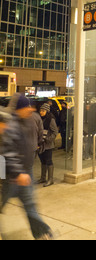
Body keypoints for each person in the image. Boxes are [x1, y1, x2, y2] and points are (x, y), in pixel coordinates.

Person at [0, 93, 54, 240]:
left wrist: (36, 147)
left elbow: (38, 134)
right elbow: (6, 151)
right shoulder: (10, 124)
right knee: (2, 204)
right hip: (11, 176)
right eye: (26, 107)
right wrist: (17, 173)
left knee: (30, 205)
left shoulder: (28, 119)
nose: (29, 110)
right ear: (19, 109)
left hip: (25, 171)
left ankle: (42, 234)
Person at [37, 103, 58, 187]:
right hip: (40, 143)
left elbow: (55, 131)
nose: (41, 112)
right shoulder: (40, 119)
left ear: (47, 111)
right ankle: (43, 178)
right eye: (40, 110)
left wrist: (49, 139)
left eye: (43, 111)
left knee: (49, 161)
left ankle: (50, 179)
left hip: (48, 144)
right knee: (42, 160)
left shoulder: (50, 120)